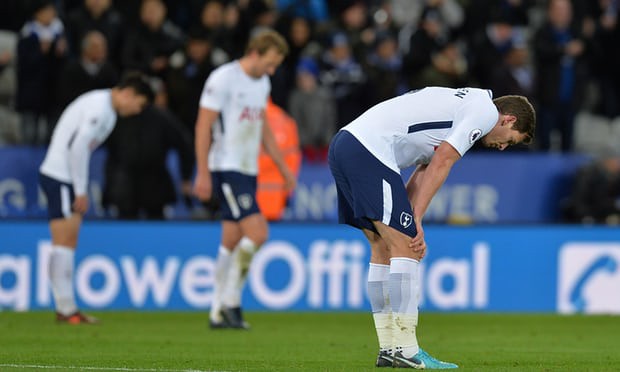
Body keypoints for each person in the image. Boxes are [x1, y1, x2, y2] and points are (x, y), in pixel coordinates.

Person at [327, 87, 535, 368]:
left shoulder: (462, 106)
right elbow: (444, 160)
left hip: (346, 143)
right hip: (370, 149)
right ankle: (406, 350)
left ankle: (389, 348)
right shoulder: (485, 112)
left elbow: (426, 165)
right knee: (407, 248)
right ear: (508, 120)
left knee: (383, 247)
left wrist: (411, 218)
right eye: (510, 140)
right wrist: (417, 221)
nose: (503, 146)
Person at [193, 29, 296, 329]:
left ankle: (217, 311)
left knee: (231, 240)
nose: (272, 70)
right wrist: (202, 171)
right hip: (226, 167)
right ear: (255, 52)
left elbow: (262, 127)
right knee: (258, 233)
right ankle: (231, 301)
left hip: (248, 169)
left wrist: (282, 167)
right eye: (270, 63)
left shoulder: (262, 83)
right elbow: (203, 126)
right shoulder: (223, 78)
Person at [39, 72, 154, 324]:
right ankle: (66, 309)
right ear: (128, 93)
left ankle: (67, 308)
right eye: (139, 104)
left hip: (63, 176)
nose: (137, 111)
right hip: (61, 176)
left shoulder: (106, 109)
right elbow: (78, 147)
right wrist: (81, 189)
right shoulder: (100, 108)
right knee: (63, 243)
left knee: (67, 242)